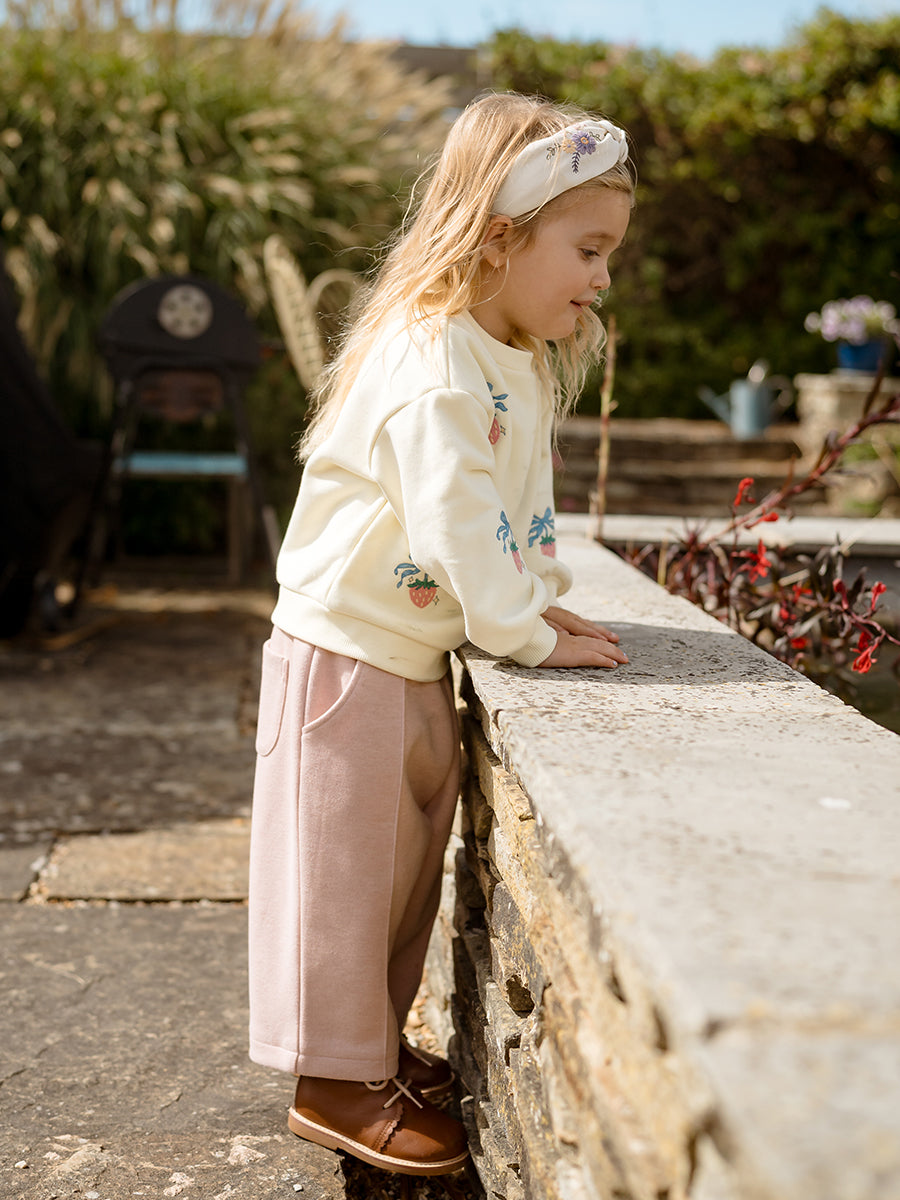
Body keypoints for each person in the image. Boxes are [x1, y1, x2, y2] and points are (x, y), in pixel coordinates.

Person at [248, 90, 634, 1177]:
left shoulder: (504, 353)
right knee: (342, 879)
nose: (603, 278)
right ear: (501, 237)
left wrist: (532, 595)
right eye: (589, 250)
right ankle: (332, 1081)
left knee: (404, 868)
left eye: (609, 255)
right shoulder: (432, 363)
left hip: (404, 654)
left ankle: (368, 1050)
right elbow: (454, 520)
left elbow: (514, 507)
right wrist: (520, 630)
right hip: (346, 658)